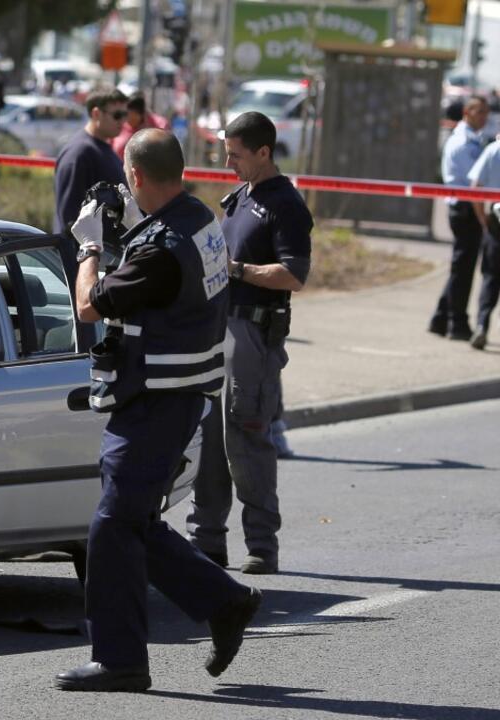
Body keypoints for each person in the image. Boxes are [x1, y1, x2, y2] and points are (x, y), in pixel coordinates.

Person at [57, 129, 261, 692]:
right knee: (133, 520)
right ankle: (224, 601)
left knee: (112, 524)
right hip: (176, 393)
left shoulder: (161, 249)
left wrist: (90, 245)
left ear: (137, 177)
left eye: (126, 175)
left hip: (158, 399)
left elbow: (88, 305)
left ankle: (120, 659)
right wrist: (124, 229)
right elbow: (160, 280)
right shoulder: (196, 218)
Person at [187, 111, 312, 575]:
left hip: (254, 335)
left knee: (246, 438)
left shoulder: (285, 205)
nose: (229, 164)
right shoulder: (239, 196)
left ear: (264, 152)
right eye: (226, 154)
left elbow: (294, 275)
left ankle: (261, 544)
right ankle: (206, 540)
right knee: (209, 439)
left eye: (237, 156)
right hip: (219, 328)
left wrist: (237, 270)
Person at [430, 95, 490, 342]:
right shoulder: (464, 142)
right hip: (465, 209)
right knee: (462, 269)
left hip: (467, 208)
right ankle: (457, 323)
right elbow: (475, 181)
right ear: (467, 112)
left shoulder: (473, 140)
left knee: (462, 266)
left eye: (486, 113)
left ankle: (441, 318)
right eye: (480, 112)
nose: (484, 117)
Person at [53, 88, 128, 234]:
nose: (123, 121)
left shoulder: (101, 148)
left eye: (125, 115)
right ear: (96, 114)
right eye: (117, 115)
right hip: (89, 253)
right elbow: (69, 218)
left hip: (106, 253)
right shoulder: (79, 154)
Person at [465, 131, 500, 350]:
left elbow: (475, 188)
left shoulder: (492, 150)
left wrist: (482, 219)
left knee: (490, 277)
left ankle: (481, 326)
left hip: (496, 221)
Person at [111, 92, 169, 159]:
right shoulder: (119, 125)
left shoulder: (159, 125)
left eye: (128, 114)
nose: (125, 118)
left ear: (140, 114)